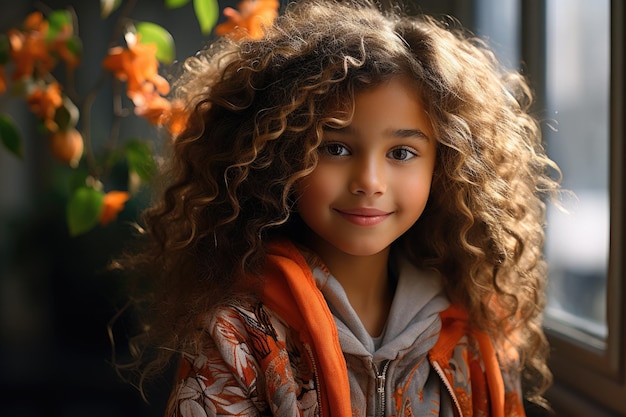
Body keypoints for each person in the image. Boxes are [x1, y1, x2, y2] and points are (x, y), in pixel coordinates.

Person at [118, 0, 561, 415]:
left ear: (442, 166)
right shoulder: (237, 336)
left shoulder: (477, 331)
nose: (369, 182)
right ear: (279, 157)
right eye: (335, 148)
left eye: (402, 153)